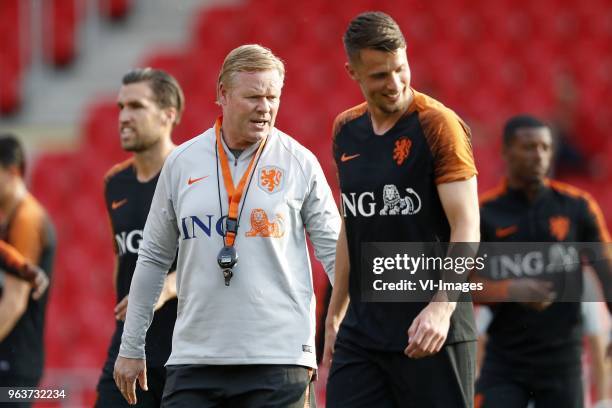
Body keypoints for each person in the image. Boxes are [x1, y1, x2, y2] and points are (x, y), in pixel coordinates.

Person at [114, 44, 341, 407]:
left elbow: (336, 255)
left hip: (279, 361)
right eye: (253, 96)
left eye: (272, 97)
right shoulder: (182, 163)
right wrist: (131, 346)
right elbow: (154, 258)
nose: (265, 108)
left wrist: (349, 321)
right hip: (195, 361)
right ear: (223, 94)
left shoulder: (300, 163)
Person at [323, 12, 480, 407]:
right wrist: (333, 312)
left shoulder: (438, 125)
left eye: (400, 69)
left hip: (430, 330)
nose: (394, 84)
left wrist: (441, 310)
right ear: (352, 72)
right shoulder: (346, 129)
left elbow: (467, 226)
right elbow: (351, 225)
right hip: (363, 335)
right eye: (379, 75)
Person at [475, 115, 612, 408]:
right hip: (505, 362)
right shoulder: (483, 214)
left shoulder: (577, 206)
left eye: (545, 148)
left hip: (563, 363)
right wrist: (511, 290)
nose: (539, 156)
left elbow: (607, 269)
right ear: (505, 151)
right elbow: (459, 285)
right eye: (529, 147)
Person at [95, 68, 183, 408]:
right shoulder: (115, 183)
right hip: (130, 346)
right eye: (120, 108)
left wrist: (168, 286)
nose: (124, 117)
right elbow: (123, 259)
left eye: (136, 106)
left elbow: (222, 259)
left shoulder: (193, 175)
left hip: (185, 348)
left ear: (167, 115)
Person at [0, 135, 55, 404]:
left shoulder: (25, 219)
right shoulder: (9, 220)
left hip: (13, 362)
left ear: (11, 172)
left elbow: (14, 301)